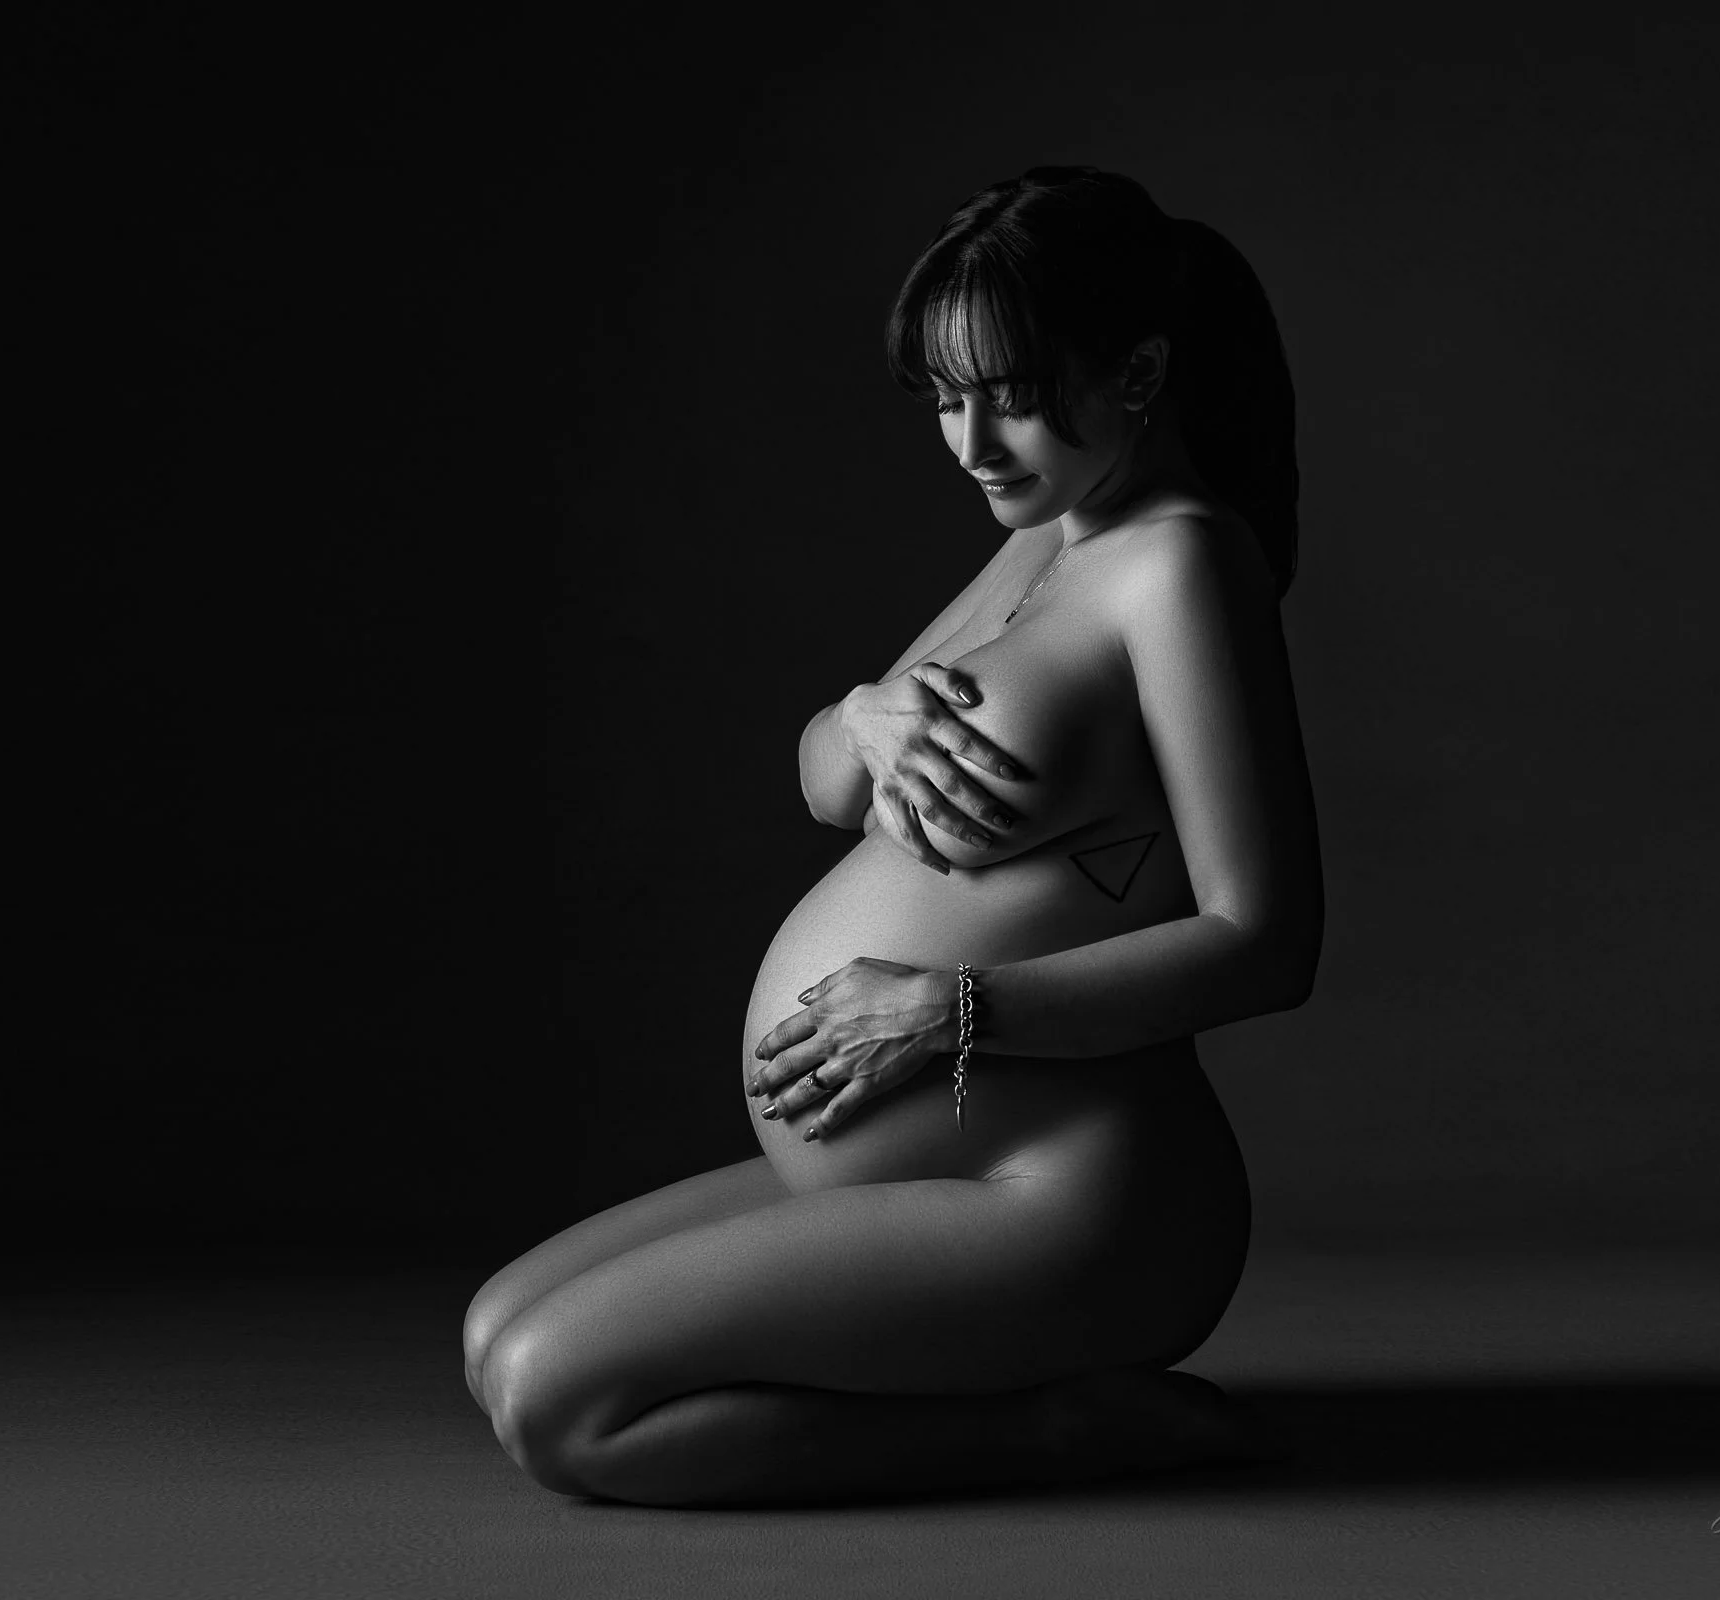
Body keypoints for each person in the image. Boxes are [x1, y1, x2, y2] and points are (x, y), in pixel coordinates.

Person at [463, 166, 1324, 1507]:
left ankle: (1059, 1431)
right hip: (924, 1171)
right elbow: (826, 781)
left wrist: (947, 1013)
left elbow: (1265, 942)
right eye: (944, 397)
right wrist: (862, 718)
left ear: (1139, 371)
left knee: (559, 1404)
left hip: (1070, 1204)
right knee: (488, 1336)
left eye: (1014, 394)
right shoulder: (1048, 539)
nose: (974, 443)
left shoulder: (1180, 564)